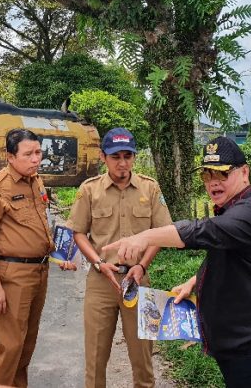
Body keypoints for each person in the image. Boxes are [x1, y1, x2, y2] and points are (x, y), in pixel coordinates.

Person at [104, 136, 251, 388]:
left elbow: (200, 230)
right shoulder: (232, 211)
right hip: (243, 345)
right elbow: (232, 260)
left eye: (222, 174)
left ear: (244, 173)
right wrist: (194, 282)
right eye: (207, 175)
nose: (213, 182)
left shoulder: (250, 214)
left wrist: (143, 237)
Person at [67, 127, 172, 388]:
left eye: (128, 156)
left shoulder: (150, 188)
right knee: (95, 359)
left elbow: (162, 233)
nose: (123, 163)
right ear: (103, 157)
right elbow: (78, 232)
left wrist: (141, 265)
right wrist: (98, 263)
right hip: (101, 282)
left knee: (143, 358)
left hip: (138, 282)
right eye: (116, 157)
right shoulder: (90, 190)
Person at [0, 128, 73, 388]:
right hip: (13, 275)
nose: (35, 159)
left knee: (26, 345)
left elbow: (39, 227)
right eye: (28, 154)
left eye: (38, 152)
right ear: (10, 156)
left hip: (39, 273)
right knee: (10, 347)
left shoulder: (36, 181)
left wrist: (57, 255)